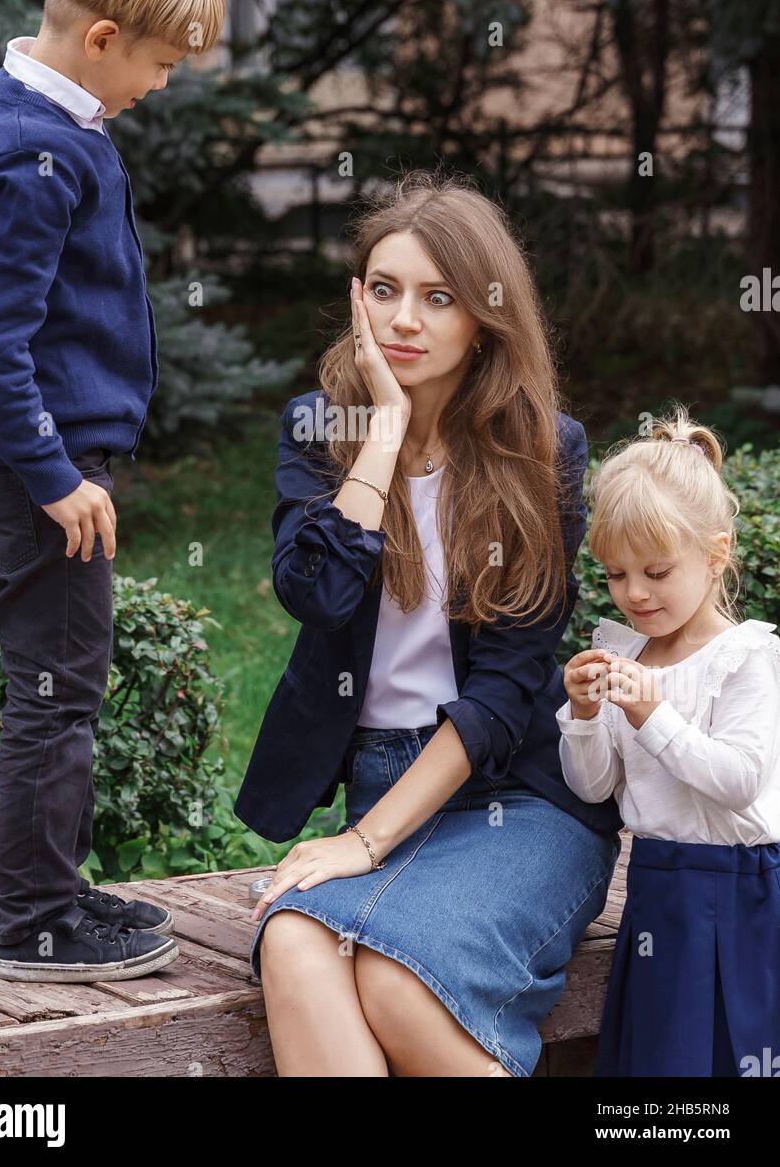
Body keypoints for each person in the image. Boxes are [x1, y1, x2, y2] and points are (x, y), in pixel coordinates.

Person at [233, 169, 623, 1077]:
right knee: (294, 944)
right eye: (384, 291)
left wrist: (363, 844)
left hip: (519, 801)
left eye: (437, 297)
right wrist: (383, 432)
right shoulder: (320, 429)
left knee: (397, 981)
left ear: (485, 314)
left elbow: (503, 691)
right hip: (381, 782)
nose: (404, 320)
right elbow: (319, 594)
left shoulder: (543, 452)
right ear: (356, 300)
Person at [0, 0, 226, 981]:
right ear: (101, 39)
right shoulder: (39, 157)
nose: (160, 84)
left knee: (57, 688)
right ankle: (36, 927)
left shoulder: (30, 116)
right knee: (56, 700)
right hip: (46, 469)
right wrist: (45, 470)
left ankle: (50, 894)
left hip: (23, 452)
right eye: (158, 64)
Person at [558, 408, 780, 1076]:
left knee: (728, 1052)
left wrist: (653, 716)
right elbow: (595, 787)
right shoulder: (623, 651)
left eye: (656, 572)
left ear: (714, 556)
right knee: (659, 1060)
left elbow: (739, 779)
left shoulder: (744, 658)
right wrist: (584, 714)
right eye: (617, 575)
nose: (634, 593)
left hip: (740, 893)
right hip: (658, 889)